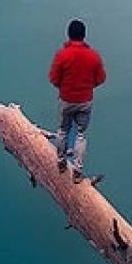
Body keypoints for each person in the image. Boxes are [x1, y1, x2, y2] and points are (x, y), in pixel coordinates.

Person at [47, 19, 106, 173]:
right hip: (85, 101)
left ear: (69, 35)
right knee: (80, 135)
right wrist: (87, 87)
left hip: (66, 99)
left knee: (63, 131)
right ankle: (78, 170)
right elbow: (101, 78)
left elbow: (53, 78)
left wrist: (64, 88)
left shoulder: (62, 55)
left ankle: (61, 162)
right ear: (84, 36)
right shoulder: (93, 56)